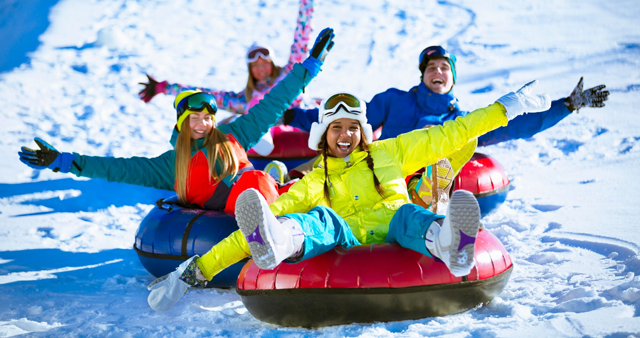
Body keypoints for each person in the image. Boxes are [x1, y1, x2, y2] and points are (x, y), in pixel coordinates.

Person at [146, 81, 551, 312]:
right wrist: (194, 271)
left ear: (362, 130)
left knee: (411, 216)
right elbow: (265, 215)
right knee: (310, 222)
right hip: (343, 233)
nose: (346, 135)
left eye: (352, 127)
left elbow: (452, 133)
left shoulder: (390, 151)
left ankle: (451, 244)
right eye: (336, 128)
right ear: (324, 135)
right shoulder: (315, 179)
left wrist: (506, 107)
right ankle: (277, 245)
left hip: (393, 222)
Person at [17, 28, 336, 215]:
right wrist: (67, 161)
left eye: (207, 118)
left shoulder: (234, 134)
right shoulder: (172, 165)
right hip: (240, 207)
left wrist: (308, 67)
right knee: (255, 184)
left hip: (265, 193)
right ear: (182, 124)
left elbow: (272, 104)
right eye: (193, 118)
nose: (202, 124)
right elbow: (119, 168)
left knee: (298, 178)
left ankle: (288, 190)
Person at [283, 46, 610, 207]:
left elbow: (517, 126)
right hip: (380, 162)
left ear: (452, 79)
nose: (438, 71)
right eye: (432, 67)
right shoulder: (395, 100)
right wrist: (291, 116)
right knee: (339, 158)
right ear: (423, 74)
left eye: (444, 68)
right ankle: (286, 183)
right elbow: (350, 122)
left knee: (430, 176)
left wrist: (566, 106)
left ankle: (427, 196)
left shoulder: (459, 120)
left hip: (410, 176)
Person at [138, 0, 314, 115]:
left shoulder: (290, 74)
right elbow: (207, 95)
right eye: (255, 65)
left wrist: (306, 4)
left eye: (264, 63)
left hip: (299, 122)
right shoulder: (245, 100)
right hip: (269, 140)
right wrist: (164, 88)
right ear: (250, 71)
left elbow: (301, 40)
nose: (260, 68)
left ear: (272, 64)